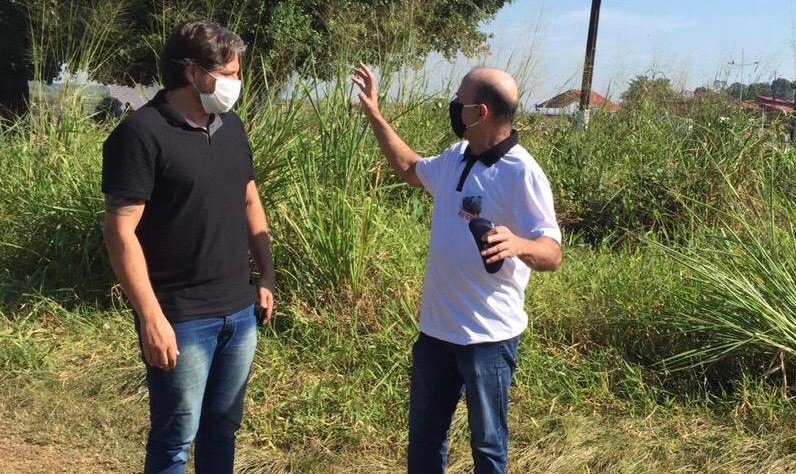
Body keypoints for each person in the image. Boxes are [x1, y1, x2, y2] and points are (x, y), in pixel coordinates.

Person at [352, 64, 562, 474]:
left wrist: (519, 244)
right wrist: (375, 114)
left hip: (489, 338)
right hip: (436, 334)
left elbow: (552, 252)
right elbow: (410, 169)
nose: (452, 106)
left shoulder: (522, 173)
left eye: (458, 101)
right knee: (425, 440)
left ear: (479, 112)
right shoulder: (457, 157)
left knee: (488, 446)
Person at [101, 20, 275, 474]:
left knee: (223, 427)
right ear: (194, 72)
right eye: (230, 72)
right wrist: (151, 317)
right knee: (176, 436)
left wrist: (267, 275)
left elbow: (249, 198)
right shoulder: (141, 134)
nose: (236, 83)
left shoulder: (231, 126)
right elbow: (121, 233)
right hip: (181, 317)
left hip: (239, 312)